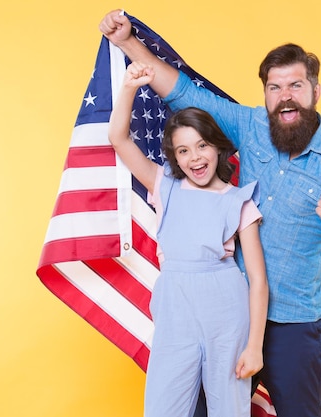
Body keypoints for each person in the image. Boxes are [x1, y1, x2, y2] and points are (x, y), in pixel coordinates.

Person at [100, 10, 321, 417]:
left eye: (296, 85)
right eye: (275, 87)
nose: (285, 96)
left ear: (315, 91)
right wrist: (127, 42)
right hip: (228, 318)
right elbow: (182, 93)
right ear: (265, 94)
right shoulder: (250, 125)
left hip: (294, 325)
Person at [109, 61, 269, 417]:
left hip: (226, 309)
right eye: (183, 151)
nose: (195, 157)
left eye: (202, 146)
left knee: (228, 405)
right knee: (165, 405)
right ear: (175, 158)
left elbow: (258, 280)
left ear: (217, 148)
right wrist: (129, 88)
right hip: (175, 306)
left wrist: (254, 346)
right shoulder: (164, 186)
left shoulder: (239, 201)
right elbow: (118, 138)